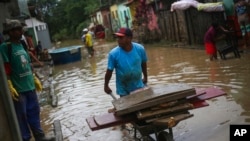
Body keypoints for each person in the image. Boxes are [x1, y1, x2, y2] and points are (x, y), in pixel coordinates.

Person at [0, 19, 54, 141]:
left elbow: (28, 64)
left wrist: (34, 77)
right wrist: (9, 84)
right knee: (22, 116)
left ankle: (40, 137)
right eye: (18, 30)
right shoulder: (5, 47)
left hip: (30, 86)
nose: (21, 32)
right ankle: (25, 138)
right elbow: (6, 68)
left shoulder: (22, 45)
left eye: (21, 29)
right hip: (18, 89)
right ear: (10, 32)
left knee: (34, 112)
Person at [104, 27, 148, 97]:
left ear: (129, 38)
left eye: (121, 38)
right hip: (123, 89)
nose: (118, 40)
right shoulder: (113, 54)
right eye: (117, 38)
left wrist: (145, 77)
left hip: (138, 85)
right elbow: (109, 71)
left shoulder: (140, 49)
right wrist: (106, 85)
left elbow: (143, 63)